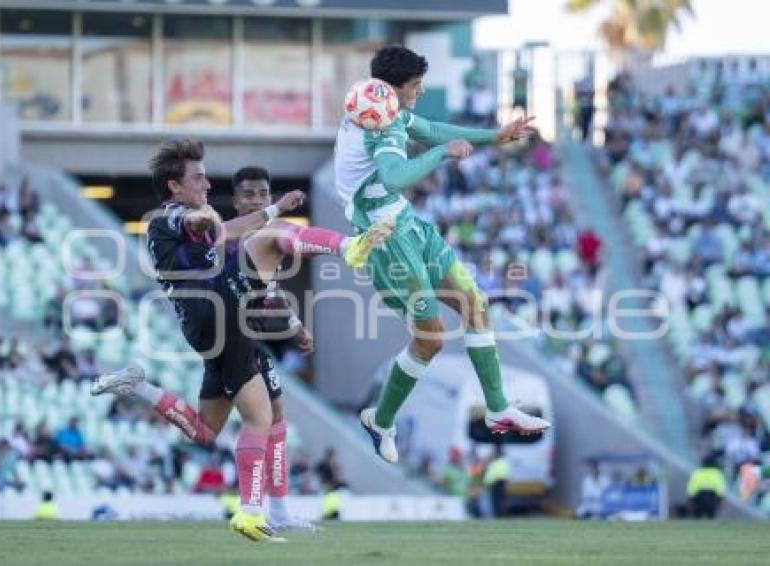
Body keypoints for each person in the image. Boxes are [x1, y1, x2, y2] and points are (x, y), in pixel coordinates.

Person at [92, 139, 391, 542]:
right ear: (174, 186)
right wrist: (271, 211)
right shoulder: (173, 215)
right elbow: (203, 226)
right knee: (262, 417)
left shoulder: (194, 218)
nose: (205, 185)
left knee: (205, 431)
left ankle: (138, 385)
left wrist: (293, 323)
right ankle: (252, 513)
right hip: (218, 306)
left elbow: (221, 236)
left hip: (211, 326)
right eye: (197, 178)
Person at [334, 45, 550, 464]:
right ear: (395, 88)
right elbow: (397, 176)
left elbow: (430, 128)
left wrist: (494, 135)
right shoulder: (382, 122)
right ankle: (380, 420)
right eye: (415, 85)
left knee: (475, 302)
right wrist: (441, 154)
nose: (420, 90)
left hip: (408, 224)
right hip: (383, 238)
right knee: (430, 338)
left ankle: (498, 407)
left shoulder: (379, 106)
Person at [686, 453, 726, 519]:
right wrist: (721, 500)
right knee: (711, 517)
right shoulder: (717, 473)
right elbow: (720, 489)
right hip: (711, 498)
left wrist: (690, 500)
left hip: (699, 498)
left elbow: (691, 488)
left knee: (697, 518)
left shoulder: (697, 472)